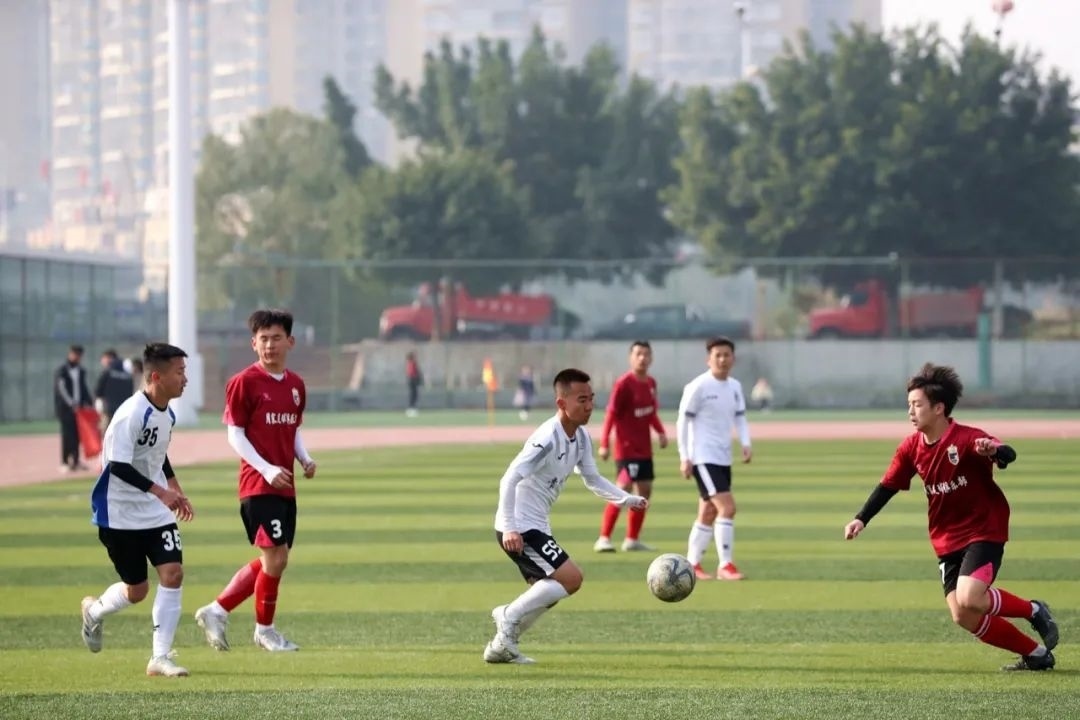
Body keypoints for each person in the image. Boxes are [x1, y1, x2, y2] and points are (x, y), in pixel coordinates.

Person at [843, 363, 1058, 672]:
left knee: (971, 597)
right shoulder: (911, 447)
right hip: (946, 539)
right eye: (909, 405)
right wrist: (861, 518)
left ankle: (1034, 610)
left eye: (917, 404)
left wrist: (993, 451)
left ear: (939, 408)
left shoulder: (968, 438)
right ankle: (1036, 654)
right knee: (963, 615)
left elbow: (1006, 454)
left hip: (984, 530)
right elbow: (888, 485)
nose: (911, 411)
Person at [485, 368, 648, 664]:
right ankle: (507, 616)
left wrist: (627, 499)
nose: (589, 406)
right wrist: (510, 528)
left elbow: (592, 479)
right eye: (582, 400)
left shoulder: (581, 437)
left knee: (548, 592)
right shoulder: (547, 438)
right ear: (562, 403)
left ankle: (501, 646)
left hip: (537, 525)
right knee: (572, 579)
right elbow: (508, 478)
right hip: (521, 526)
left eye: (591, 398)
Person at [194, 309, 316, 653]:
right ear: (253, 343)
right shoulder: (244, 382)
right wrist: (265, 469)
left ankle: (217, 611)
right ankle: (265, 631)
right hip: (258, 485)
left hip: (285, 485)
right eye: (263, 339)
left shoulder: (295, 385)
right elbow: (234, 434)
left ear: (290, 342)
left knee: (276, 559)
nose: (269, 345)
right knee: (275, 558)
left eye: (276, 338)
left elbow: (292, 428)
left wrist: (304, 458)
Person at [80, 342, 194, 677]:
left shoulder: (166, 412)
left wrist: (174, 488)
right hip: (119, 514)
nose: (185, 379)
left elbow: (157, 452)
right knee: (137, 590)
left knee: (173, 574)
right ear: (156, 376)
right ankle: (94, 612)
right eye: (180, 372)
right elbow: (117, 466)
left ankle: (160, 657)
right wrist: (161, 492)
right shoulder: (131, 414)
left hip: (156, 512)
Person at [677, 336, 752, 581]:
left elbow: (740, 417)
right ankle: (725, 565)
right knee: (727, 508)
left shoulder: (734, 387)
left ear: (733, 358)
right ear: (708, 359)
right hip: (703, 456)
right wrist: (685, 456)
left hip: (723, 457)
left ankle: (692, 565)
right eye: (717, 355)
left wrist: (746, 442)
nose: (722, 359)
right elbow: (683, 421)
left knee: (708, 511)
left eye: (726, 355)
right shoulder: (698, 386)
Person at [593, 340, 668, 553]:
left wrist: (661, 432)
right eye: (638, 354)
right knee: (622, 489)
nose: (642, 358)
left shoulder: (651, 383)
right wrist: (604, 444)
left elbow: (650, 412)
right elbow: (611, 414)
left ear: (651, 358)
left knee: (644, 492)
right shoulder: (623, 384)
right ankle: (604, 538)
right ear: (631, 357)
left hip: (644, 449)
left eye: (646, 354)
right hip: (626, 450)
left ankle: (632, 539)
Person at [54, 344, 93, 472]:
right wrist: (71, 404)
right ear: (70, 354)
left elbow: (83, 388)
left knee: (77, 435)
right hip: (65, 409)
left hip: (79, 409)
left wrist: (89, 402)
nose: (77, 357)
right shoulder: (62, 371)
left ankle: (75, 461)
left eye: (79, 355)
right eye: (75, 354)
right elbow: (61, 389)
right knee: (67, 435)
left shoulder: (81, 371)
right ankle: (64, 461)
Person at [95, 349, 135, 433]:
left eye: (103, 358)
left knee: (108, 432)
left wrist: (98, 401)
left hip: (109, 409)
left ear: (109, 358)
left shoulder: (108, 371)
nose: (102, 361)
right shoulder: (127, 373)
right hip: (124, 410)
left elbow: (99, 390)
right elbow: (130, 391)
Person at [405, 351, 423, 417]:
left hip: (412, 380)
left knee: (414, 395)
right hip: (412, 380)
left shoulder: (411, 363)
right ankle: (411, 409)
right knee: (413, 395)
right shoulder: (412, 363)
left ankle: (412, 408)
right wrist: (417, 378)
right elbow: (412, 373)